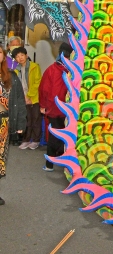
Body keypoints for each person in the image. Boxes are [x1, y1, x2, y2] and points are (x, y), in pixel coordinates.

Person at [38, 42, 73, 171]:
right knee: (68, 136)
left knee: (54, 135)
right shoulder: (73, 70)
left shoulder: (51, 69)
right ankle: (67, 163)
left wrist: (43, 105)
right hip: (70, 109)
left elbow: (44, 89)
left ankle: (50, 164)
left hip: (54, 108)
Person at [0, 47, 27, 205]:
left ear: (4, 56)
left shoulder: (10, 76)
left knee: (0, 160)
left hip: (3, 123)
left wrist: (21, 122)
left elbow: (19, 100)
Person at [12, 47, 41, 150]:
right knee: (26, 120)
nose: (20, 58)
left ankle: (36, 140)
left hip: (34, 98)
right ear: (15, 59)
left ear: (26, 55)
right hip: (22, 98)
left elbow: (37, 82)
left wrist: (29, 96)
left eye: (22, 55)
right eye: (17, 56)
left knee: (35, 120)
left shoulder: (34, 67)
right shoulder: (16, 70)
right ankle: (26, 140)